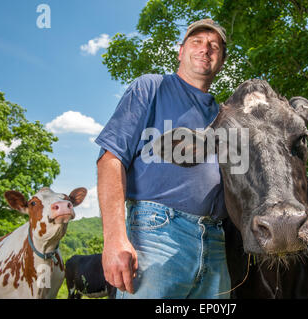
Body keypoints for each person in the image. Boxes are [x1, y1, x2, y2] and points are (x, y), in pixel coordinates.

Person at [95, 19, 231, 299]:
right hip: (156, 234)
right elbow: (110, 159)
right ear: (180, 51)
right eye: (197, 42)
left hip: (216, 242)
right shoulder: (152, 87)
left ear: (221, 61)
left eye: (213, 46)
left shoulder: (225, 115)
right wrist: (115, 239)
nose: (205, 49)